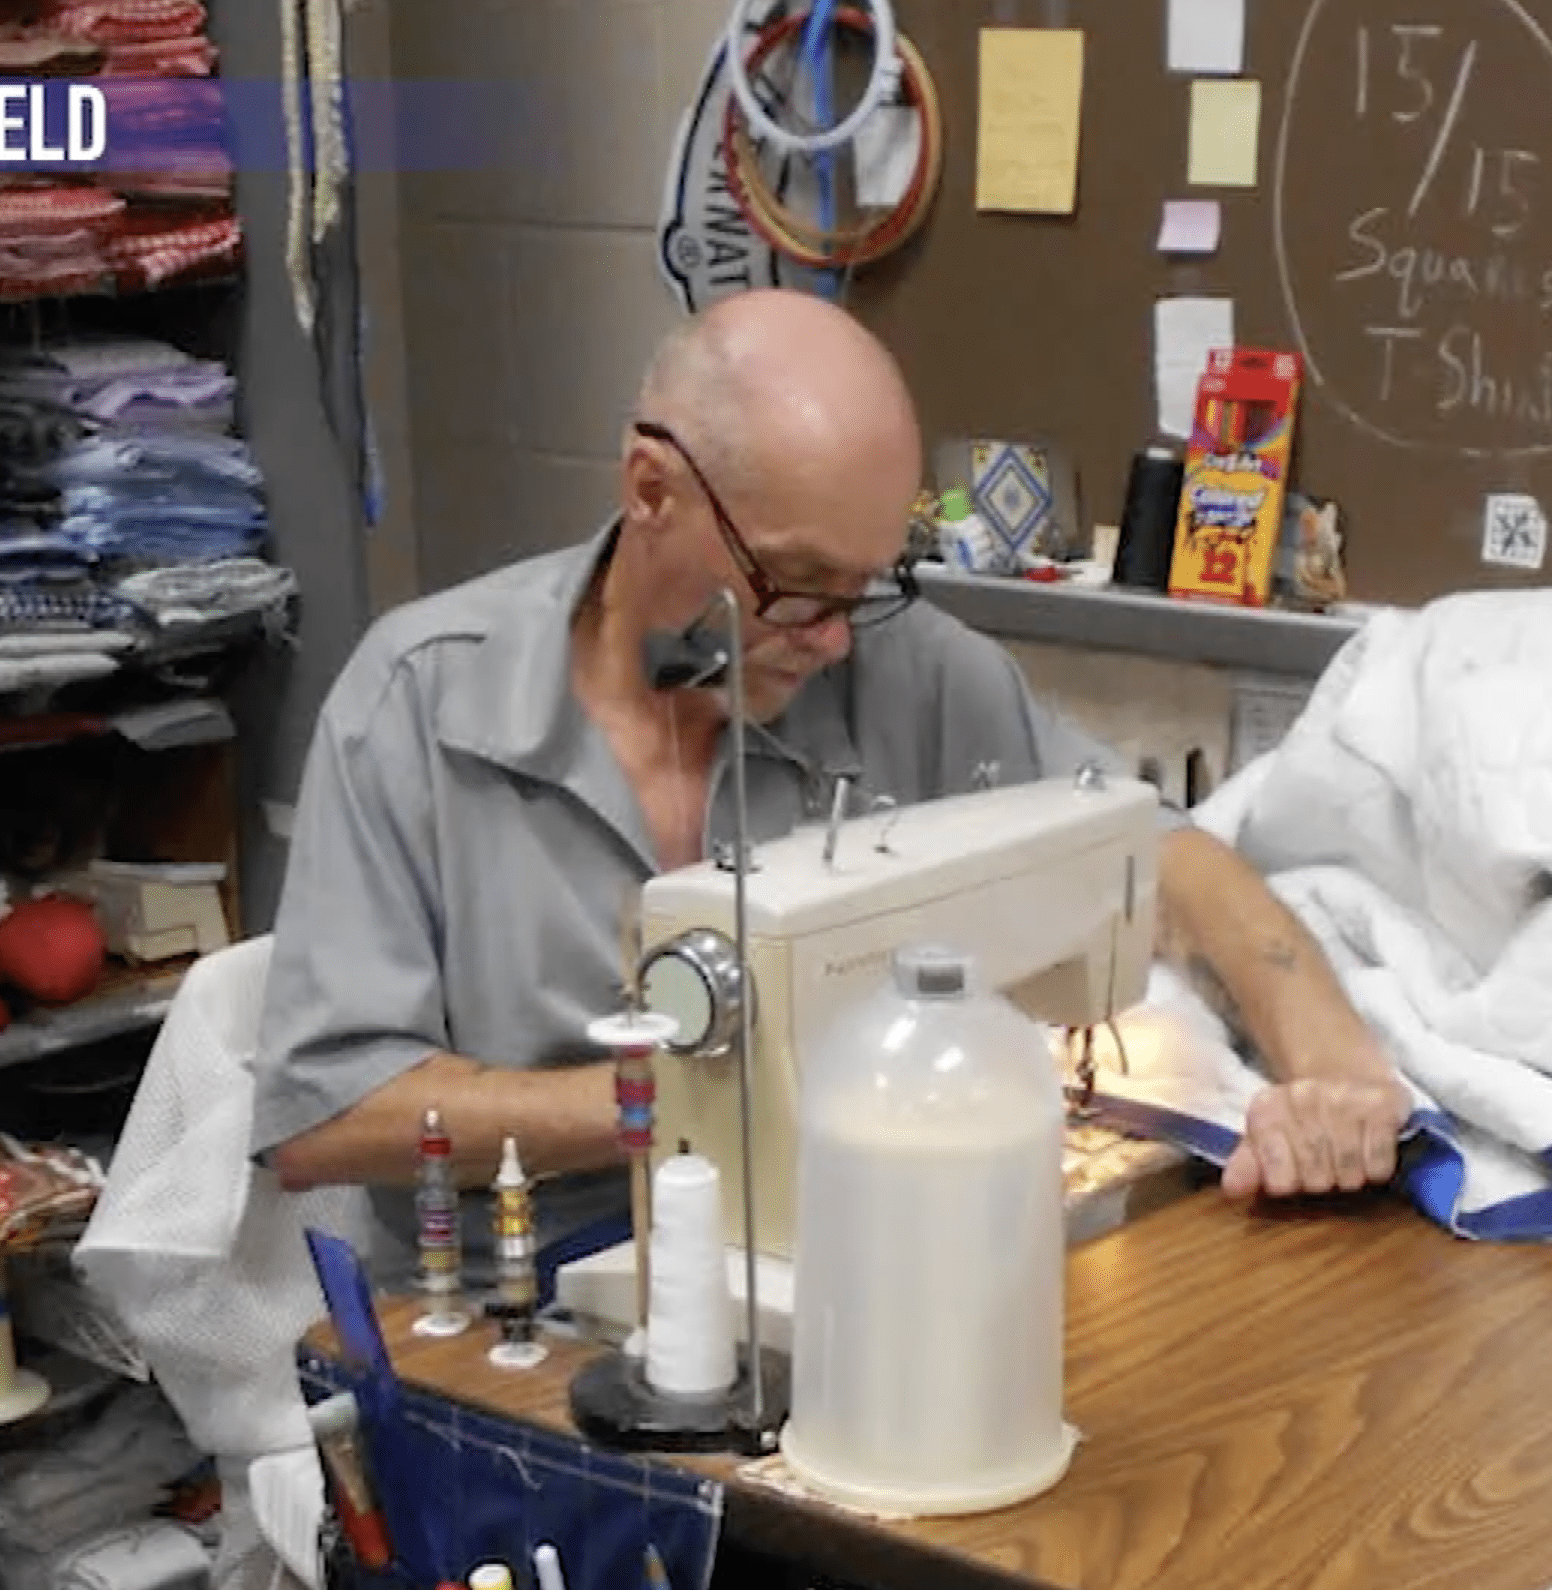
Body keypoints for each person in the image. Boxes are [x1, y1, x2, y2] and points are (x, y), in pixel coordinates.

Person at [250, 289, 1405, 1275]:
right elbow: (330, 1115)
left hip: (847, 1267)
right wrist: (688, 1108)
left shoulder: (905, 667)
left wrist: (1337, 1078)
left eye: (866, 587)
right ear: (650, 489)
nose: (837, 641)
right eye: (797, 585)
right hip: (519, 1314)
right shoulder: (420, 706)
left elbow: (1159, 854)